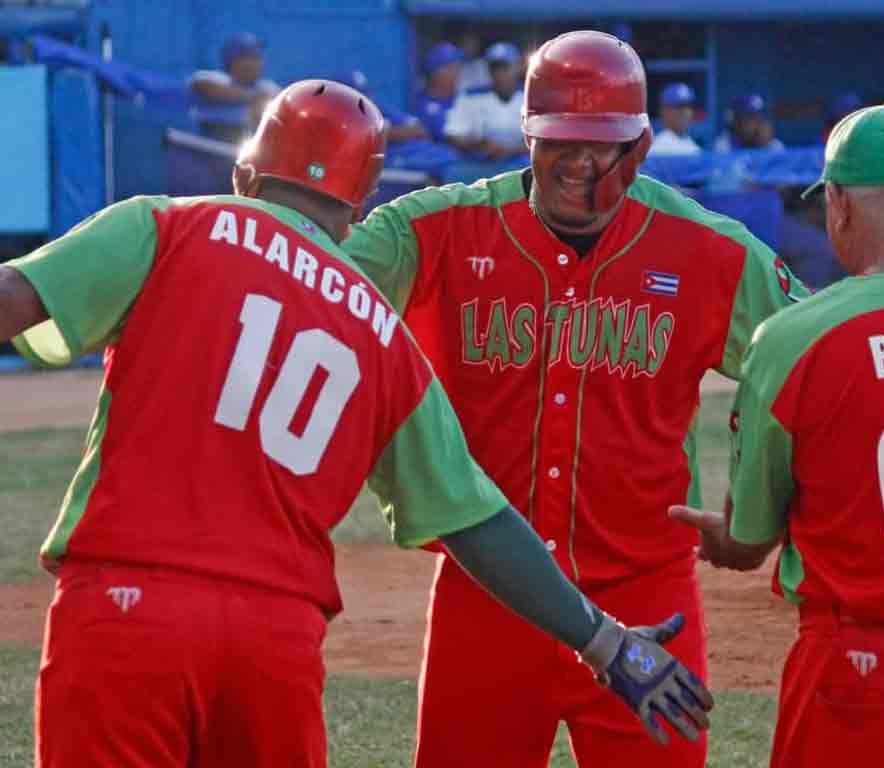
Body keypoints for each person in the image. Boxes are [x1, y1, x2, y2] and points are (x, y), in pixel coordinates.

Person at [0, 80, 712, 768]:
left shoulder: (166, 225)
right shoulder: (383, 339)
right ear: (361, 200)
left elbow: (14, 302)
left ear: (247, 174)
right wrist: (604, 642)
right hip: (275, 643)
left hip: (128, 606)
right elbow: (480, 522)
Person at [342, 30, 805, 768]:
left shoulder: (708, 251)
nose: (581, 164)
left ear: (643, 146)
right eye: (560, 142)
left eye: (605, 145)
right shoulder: (438, 230)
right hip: (485, 593)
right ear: (526, 136)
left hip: (648, 592)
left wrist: (762, 505)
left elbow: (814, 363)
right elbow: (302, 281)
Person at [673, 102, 884, 767]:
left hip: (864, 671)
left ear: (836, 204)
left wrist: (722, 542)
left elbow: (750, 538)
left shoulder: (795, 337)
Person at [188, 32, 280, 144]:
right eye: (248, 57)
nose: (255, 63)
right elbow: (201, 85)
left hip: (248, 147)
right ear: (232, 61)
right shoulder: (212, 79)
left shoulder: (268, 87)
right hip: (211, 142)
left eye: (257, 57)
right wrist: (252, 96)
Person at [444, 42, 526, 159]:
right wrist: (478, 144)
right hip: (481, 162)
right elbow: (453, 136)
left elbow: (541, 142)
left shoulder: (532, 97)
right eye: (495, 68)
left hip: (519, 162)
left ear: (517, 67)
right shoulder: (471, 96)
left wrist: (510, 150)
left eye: (505, 68)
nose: (499, 74)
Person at [339, 68, 428, 144]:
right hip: (396, 159)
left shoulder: (376, 107)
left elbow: (419, 128)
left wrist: (389, 133)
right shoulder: (338, 118)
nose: (363, 99)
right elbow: (363, 138)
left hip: (419, 152)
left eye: (363, 93)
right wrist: (393, 133)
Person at [414, 41, 463, 142]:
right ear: (435, 73)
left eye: (457, 67)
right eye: (450, 68)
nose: (456, 73)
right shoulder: (422, 105)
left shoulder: (464, 99)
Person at [713, 93, 784, 152]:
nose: (757, 122)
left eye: (759, 116)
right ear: (736, 121)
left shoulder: (773, 145)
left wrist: (764, 147)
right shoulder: (725, 144)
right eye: (750, 117)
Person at [649, 83, 702, 156]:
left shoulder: (691, 144)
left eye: (689, 107)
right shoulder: (658, 147)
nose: (687, 113)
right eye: (680, 107)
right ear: (664, 111)